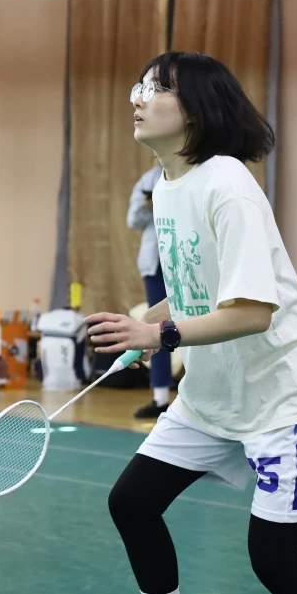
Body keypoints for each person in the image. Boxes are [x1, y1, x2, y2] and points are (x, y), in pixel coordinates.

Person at [86, 53, 297, 594]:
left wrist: (159, 337)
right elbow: (194, 288)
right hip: (212, 397)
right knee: (132, 503)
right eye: (138, 85)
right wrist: (144, 325)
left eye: (156, 88)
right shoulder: (166, 186)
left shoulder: (228, 184)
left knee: (275, 560)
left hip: (283, 398)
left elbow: (252, 311)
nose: (137, 98)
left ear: (196, 110)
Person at [127, 162, 173, 418]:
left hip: (185, 259)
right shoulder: (148, 179)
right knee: (158, 329)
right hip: (155, 264)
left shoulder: (194, 170)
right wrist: (148, 206)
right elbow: (132, 220)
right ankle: (160, 397)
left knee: (199, 323)